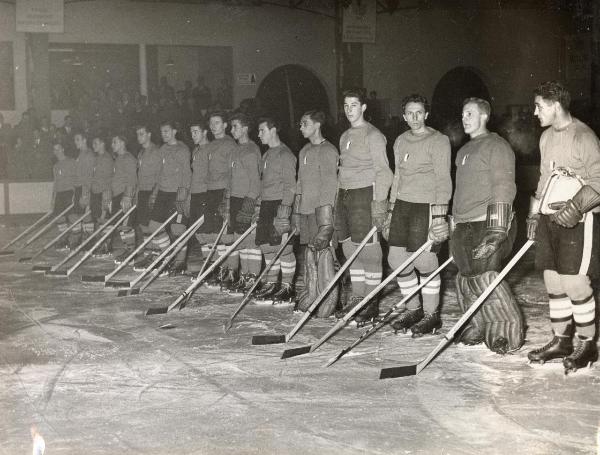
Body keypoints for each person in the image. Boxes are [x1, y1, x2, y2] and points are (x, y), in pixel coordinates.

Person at [526, 81, 600, 373]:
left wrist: (577, 206)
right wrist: (534, 215)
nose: (535, 112)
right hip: (549, 217)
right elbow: (544, 178)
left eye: (539, 106)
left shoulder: (584, 136)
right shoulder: (546, 137)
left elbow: (598, 179)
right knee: (553, 280)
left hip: (579, 220)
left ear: (555, 105)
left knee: (575, 282)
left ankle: (587, 343)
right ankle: (561, 340)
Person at [450, 97, 524, 354]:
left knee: (486, 279)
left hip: (488, 222)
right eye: (462, 114)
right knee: (467, 279)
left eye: (469, 114)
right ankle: (477, 324)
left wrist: (496, 231)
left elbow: (504, 187)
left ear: (484, 116)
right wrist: (453, 221)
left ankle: (504, 331)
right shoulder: (463, 151)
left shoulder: (497, 146)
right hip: (464, 224)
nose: (464, 119)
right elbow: (461, 191)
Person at [384, 94, 452, 336]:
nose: (414, 117)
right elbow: (397, 177)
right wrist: (390, 210)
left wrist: (439, 216)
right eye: (409, 113)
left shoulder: (438, 140)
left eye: (418, 112)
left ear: (426, 114)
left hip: (427, 205)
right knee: (395, 259)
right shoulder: (400, 140)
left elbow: (444, 179)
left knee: (423, 260)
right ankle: (413, 309)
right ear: (403, 116)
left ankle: (432, 315)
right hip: (402, 204)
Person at [334, 89, 393, 326]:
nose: (349, 110)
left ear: (364, 107)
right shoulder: (345, 135)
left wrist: (379, 203)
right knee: (349, 249)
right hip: (345, 194)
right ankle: (358, 297)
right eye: (346, 105)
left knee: (368, 250)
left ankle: (371, 302)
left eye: (354, 105)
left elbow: (384, 172)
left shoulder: (374, 135)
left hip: (364, 194)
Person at [293, 110, 339, 317]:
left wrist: (326, 221)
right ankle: (312, 294)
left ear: (317, 125)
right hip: (306, 210)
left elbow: (331, 185)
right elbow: (300, 182)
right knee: (310, 254)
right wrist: (296, 209)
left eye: (304, 123)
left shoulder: (329, 150)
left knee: (325, 255)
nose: (300, 127)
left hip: (321, 212)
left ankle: (330, 299)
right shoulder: (303, 151)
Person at [252, 117, 297, 304]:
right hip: (266, 204)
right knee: (267, 246)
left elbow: (291, 186)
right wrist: (258, 206)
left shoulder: (285, 154)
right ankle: (271, 283)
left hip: (280, 204)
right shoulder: (267, 154)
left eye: (262, 130)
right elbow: (263, 184)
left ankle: (287, 287)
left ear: (273, 130)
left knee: (283, 248)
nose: (259, 134)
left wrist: (285, 211)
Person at [136, 121, 191, 273]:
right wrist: (154, 192)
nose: (164, 134)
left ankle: (180, 262)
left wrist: (183, 192)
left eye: (167, 131)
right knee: (154, 227)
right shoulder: (162, 149)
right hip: (162, 192)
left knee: (177, 229)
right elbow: (159, 173)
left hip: (177, 193)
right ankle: (166, 257)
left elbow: (187, 173)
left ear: (174, 131)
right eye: (162, 132)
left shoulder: (182, 149)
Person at [196, 111, 237, 285]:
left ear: (225, 125)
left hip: (223, 190)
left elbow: (233, 171)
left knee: (225, 233)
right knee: (212, 232)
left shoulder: (230, 144)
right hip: (209, 191)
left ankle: (231, 271)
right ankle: (216, 267)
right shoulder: (210, 145)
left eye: (217, 122)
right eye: (211, 123)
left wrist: (228, 194)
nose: (213, 126)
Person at [225, 112, 262, 295]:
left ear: (245, 128)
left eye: (235, 127)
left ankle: (252, 277)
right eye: (231, 127)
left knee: (249, 240)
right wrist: (227, 200)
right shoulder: (235, 150)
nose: (232, 130)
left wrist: (249, 204)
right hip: (234, 198)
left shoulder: (251, 150)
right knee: (239, 240)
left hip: (246, 199)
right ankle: (244, 275)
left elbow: (255, 181)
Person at [134, 124, 162, 266]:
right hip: (142, 191)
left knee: (152, 226)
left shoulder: (156, 151)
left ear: (149, 134)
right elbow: (139, 175)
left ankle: (156, 255)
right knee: (143, 225)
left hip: (152, 191)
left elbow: (159, 174)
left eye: (142, 133)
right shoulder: (141, 153)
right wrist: (137, 194)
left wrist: (155, 193)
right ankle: (148, 253)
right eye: (138, 134)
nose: (139, 136)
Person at [185, 120, 210, 274]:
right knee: (198, 232)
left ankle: (210, 266)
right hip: (195, 194)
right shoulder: (195, 151)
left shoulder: (211, 149)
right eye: (191, 132)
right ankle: (206, 264)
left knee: (206, 232)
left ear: (205, 132)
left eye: (196, 132)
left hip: (206, 194)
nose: (193, 135)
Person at [110, 134, 138, 262]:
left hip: (125, 195)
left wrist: (127, 196)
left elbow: (132, 179)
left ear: (122, 143)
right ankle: (128, 250)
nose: (112, 145)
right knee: (121, 225)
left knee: (126, 225)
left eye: (115, 142)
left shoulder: (128, 158)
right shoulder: (118, 158)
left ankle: (131, 253)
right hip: (117, 195)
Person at [69, 131, 96, 249]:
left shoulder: (89, 154)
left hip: (86, 188)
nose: (75, 142)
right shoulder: (80, 154)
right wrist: (75, 191)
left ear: (85, 140)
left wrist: (85, 194)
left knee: (86, 214)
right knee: (75, 214)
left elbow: (89, 176)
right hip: (79, 188)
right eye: (75, 140)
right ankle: (80, 238)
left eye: (78, 139)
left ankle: (89, 239)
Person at [89, 134, 114, 256]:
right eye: (93, 143)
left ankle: (106, 246)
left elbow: (108, 180)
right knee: (98, 219)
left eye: (96, 143)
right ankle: (100, 244)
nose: (93, 145)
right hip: (96, 192)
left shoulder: (107, 159)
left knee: (104, 218)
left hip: (104, 193)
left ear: (103, 143)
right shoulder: (97, 158)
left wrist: (106, 199)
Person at [51, 141, 77, 250]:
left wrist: (76, 193)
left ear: (63, 149)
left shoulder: (71, 162)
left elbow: (76, 178)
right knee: (60, 218)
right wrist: (53, 198)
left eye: (58, 149)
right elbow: (55, 182)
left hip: (70, 192)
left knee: (72, 217)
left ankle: (76, 240)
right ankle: (64, 239)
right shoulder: (55, 166)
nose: (56, 152)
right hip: (59, 193)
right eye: (54, 150)